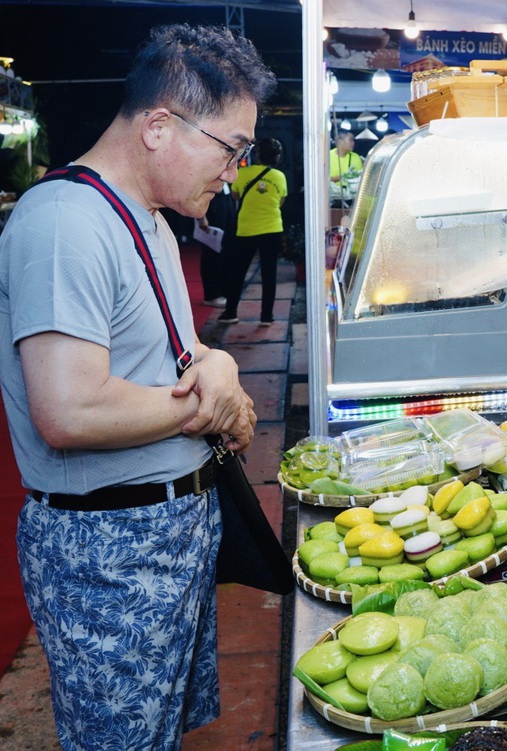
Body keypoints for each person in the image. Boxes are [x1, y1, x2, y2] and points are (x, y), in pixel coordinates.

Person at [0, 23, 271, 751]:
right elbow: (70, 406)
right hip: (107, 552)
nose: (234, 172)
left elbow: (161, 356)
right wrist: (209, 401)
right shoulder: (64, 222)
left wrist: (218, 365)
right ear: (159, 126)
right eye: (231, 148)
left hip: (165, 535)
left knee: (154, 734)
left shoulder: (145, 217)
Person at [220, 137, 286, 326]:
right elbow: (281, 201)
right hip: (272, 228)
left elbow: (235, 195)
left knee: (238, 272)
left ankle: (231, 312)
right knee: (269, 274)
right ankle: (267, 316)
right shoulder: (279, 176)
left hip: (246, 229)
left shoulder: (244, 173)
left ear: (257, 155)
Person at [197, 182, 238, 307]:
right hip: (212, 207)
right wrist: (201, 217)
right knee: (212, 252)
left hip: (226, 202)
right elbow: (199, 192)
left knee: (228, 250)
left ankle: (224, 291)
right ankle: (211, 294)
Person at [329, 129, 363, 208]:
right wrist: (340, 177)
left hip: (350, 200)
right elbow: (320, 180)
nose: (353, 143)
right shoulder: (327, 156)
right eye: (350, 140)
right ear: (340, 141)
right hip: (331, 199)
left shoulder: (356, 157)